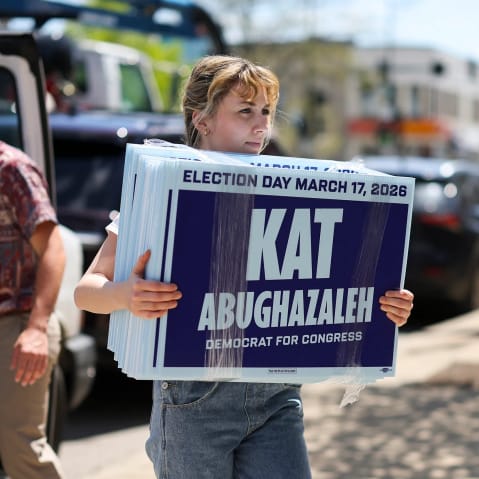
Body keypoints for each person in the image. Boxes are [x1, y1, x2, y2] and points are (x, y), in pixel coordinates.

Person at [74, 55, 414, 479]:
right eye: (245, 111)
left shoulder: (300, 191)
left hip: (278, 397)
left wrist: (385, 307)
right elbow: (86, 290)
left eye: (266, 112)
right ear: (202, 119)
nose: (261, 126)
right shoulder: (162, 189)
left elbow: (339, 285)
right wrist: (125, 295)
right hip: (193, 402)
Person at [0, 141, 65, 478]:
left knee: (20, 448)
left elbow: (54, 248)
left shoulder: (12, 169)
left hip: (18, 324)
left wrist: (36, 329)